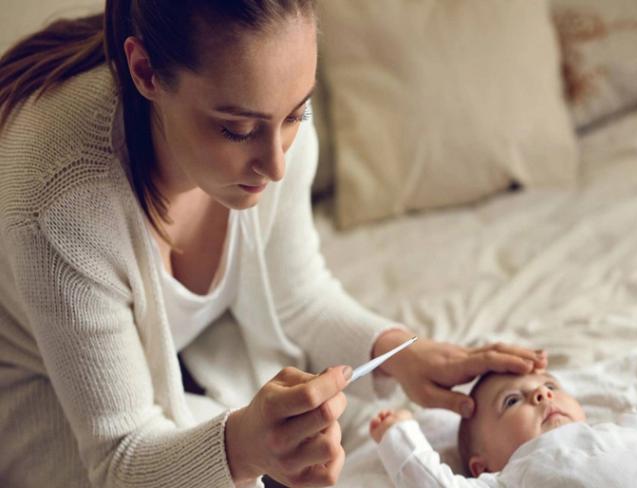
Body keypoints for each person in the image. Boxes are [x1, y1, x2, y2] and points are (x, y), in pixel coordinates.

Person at [0, 1, 548, 487]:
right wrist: (242, 448)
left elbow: (298, 295)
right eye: (238, 130)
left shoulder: (269, 105)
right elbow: (120, 458)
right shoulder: (60, 207)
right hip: (40, 388)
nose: (276, 164)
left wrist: (399, 354)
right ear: (145, 70)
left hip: (190, 361)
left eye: (296, 115)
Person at [370, 253, 637, 487]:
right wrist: (397, 433)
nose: (541, 394)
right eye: (511, 402)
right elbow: (433, 482)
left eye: (550, 385)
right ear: (482, 466)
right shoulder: (512, 479)